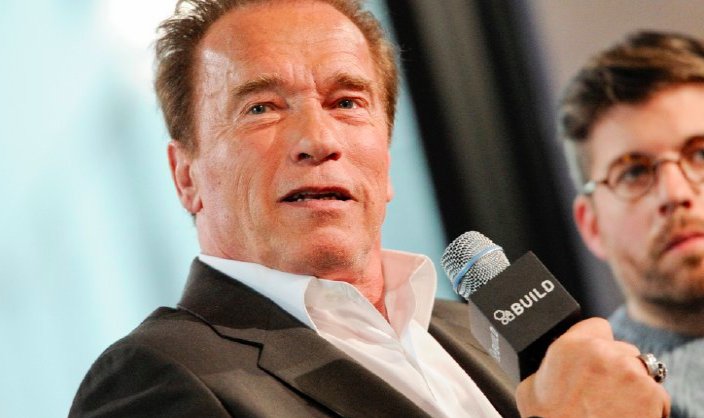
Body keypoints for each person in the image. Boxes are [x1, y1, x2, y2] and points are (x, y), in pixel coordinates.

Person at [69, 1, 670, 417]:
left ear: (384, 155)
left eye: (347, 102)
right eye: (261, 108)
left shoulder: (472, 332)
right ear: (186, 176)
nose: (318, 140)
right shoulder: (153, 379)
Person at [563, 30, 704, 418]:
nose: (674, 193)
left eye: (700, 154)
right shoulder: (593, 402)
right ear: (592, 225)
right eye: (634, 173)